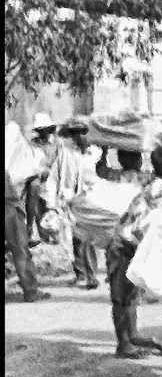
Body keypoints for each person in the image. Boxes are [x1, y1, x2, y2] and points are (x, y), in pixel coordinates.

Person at [108, 147, 162, 359]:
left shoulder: (137, 183)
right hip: (129, 245)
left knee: (125, 297)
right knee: (127, 298)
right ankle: (128, 344)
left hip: (124, 244)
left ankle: (128, 341)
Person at [45, 117, 100, 288]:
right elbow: (54, 178)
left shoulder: (97, 154)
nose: (79, 136)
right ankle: (81, 274)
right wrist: (51, 203)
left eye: (83, 132)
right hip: (71, 202)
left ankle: (91, 275)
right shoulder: (65, 154)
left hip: (90, 200)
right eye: (75, 133)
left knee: (89, 240)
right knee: (76, 240)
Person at [6, 169, 46, 301]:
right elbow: (34, 191)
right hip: (9, 209)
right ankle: (31, 291)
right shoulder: (30, 163)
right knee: (20, 252)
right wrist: (30, 223)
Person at [25, 112, 59, 244]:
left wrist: (50, 172)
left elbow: (59, 162)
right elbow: (30, 161)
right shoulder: (33, 143)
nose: (41, 132)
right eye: (39, 130)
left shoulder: (57, 144)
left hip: (53, 177)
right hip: (36, 176)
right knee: (33, 188)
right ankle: (30, 228)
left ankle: (51, 233)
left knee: (51, 203)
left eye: (43, 129)